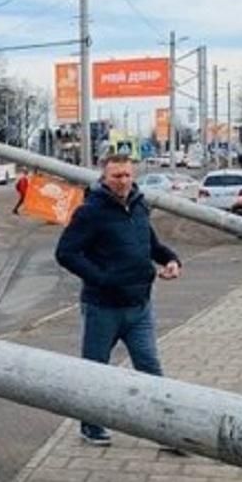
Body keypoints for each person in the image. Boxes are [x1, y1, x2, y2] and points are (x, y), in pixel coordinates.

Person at [55, 154, 182, 446]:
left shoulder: (139, 206)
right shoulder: (90, 212)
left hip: (140, 307)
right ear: (104, 178)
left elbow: (151, 245)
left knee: (150, 369)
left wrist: (171, 259)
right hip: (103, 308)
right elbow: (66, 253)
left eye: (127, 175)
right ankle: (91, 426)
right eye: (116, 176)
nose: (123, 181)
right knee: (96, 370)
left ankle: (166, 430)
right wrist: (101, 278)